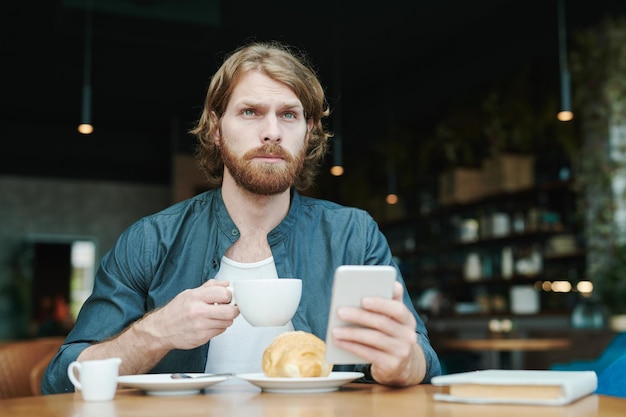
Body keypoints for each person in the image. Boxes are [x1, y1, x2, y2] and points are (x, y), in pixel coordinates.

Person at [41, 41, 441, 394]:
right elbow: (61, 379)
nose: (272, 132)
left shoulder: (353, 235)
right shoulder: (151, 241)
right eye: (250, 112)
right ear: (216, 128)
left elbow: (424, 361)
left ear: (309, 130)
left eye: (289, 115)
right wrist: (154, 333)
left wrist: (403, 363)